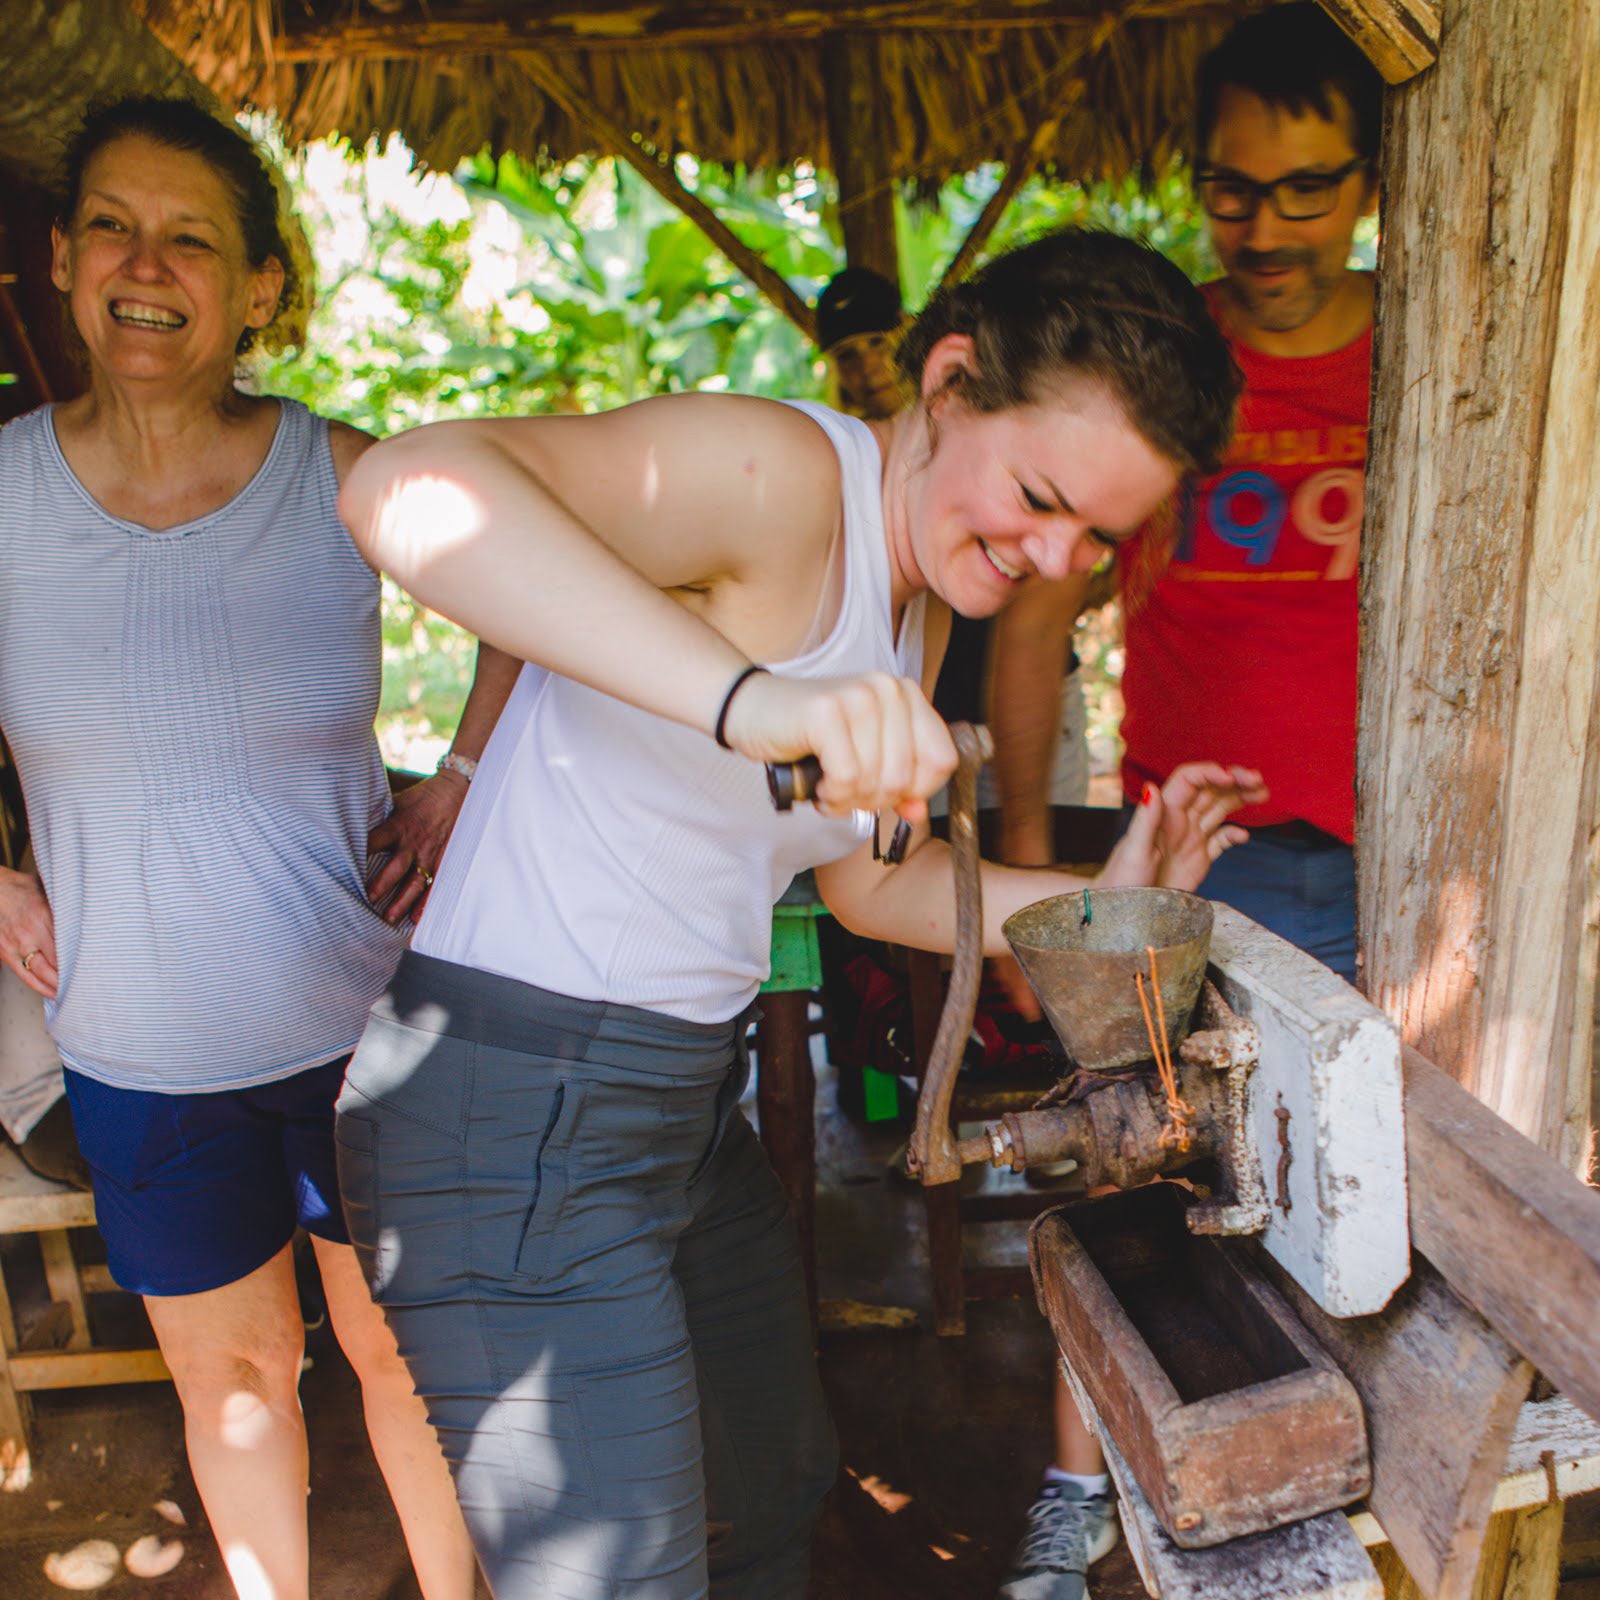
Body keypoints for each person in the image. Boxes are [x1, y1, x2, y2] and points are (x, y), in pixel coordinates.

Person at [332, 225, 1264, 1600]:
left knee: (772, 1492)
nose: (1053, 553)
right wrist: (755, 701)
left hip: (668, 1110)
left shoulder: (920, 608)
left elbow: (867, 883)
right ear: (950, 380)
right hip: (508, 1107)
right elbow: (406, 488)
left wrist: (1105, 899)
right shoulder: (777, 478)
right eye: (1039, 492)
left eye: (1095, 535)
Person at [0, 96, 519, 1600]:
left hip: (365, 1029)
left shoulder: (339, 476)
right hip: (141, 1048)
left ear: (259, 287)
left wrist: (462, 777)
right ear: (59, 256)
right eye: (111, 225)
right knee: (234, 1389)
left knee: (407, 1366)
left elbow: (526, 606)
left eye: (189, 238)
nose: (142, 265)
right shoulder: (7, 498)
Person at [991, 10, 1382, 1596]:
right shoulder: (1165, 378)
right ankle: (1070, 1495)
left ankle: (1319, 1483)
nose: (1266, 228)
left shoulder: (1434, 350)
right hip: (1195, 862)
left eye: (1306, 190)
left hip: (1406, 862)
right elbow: (1030, 624)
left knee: (1358, 1203)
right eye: (1233, 191)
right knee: (1137, 1173)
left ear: (1371, 177)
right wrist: (1028, 869)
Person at [815, 264, 907, 419]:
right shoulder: (840, 441)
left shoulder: (956, 416)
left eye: (877, 342)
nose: (866, 366)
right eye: (846, 355)